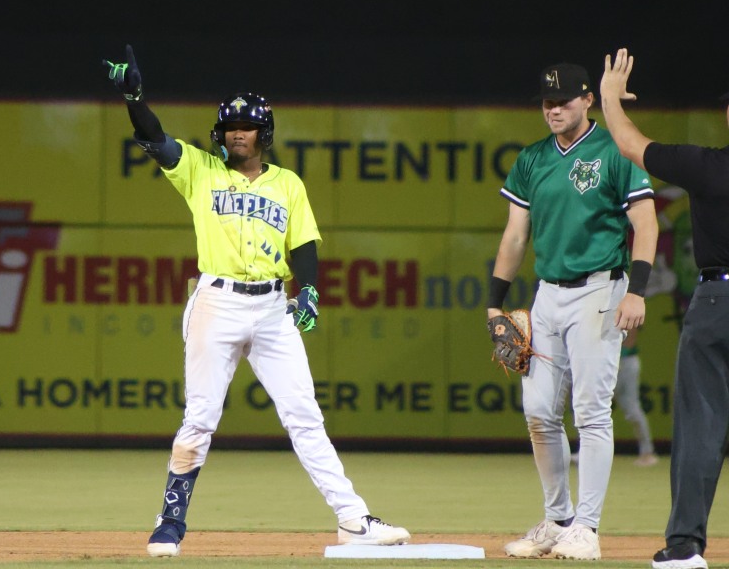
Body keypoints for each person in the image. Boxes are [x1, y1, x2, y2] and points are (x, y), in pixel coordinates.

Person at [101, 45, 410, 558]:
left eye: (246, 126)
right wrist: (135, 100)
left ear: (263, 133)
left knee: (305, 416)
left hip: (272, 309)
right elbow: (156, 139)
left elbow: (303, 245)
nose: (237, 133)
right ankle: (170, 521)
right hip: (216, 302)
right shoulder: (200, 170)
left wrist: (308, 289)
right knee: (200, 417)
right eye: (230, 126)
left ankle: (353, 520)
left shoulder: (287, 184)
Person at [486, 61, 658, 560]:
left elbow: (646, 224)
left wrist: (637, 291)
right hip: (548, 294)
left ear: (587, 100)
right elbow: (515, 236)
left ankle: (587, 528)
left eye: (563, 100)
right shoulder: (532, 158)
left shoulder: (616, 150)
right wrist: (495, 303)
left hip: (599, 290)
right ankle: (558, 519)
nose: (553, 109)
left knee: (591, 413)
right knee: (539, 412)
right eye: (547, 102)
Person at [600, 47, 729, 569]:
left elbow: (630, 144)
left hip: (717, 301)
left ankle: (684, 549)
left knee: (701, 427)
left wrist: (609, 98)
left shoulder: (707, 166)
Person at [570, 326, 659, 467]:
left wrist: (613, 357)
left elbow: (630, 338)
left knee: (630, 409)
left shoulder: (624, 312)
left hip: (624, 362)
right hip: (608, 361)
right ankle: (587, 453)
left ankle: (647, 452)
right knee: (588, 406)